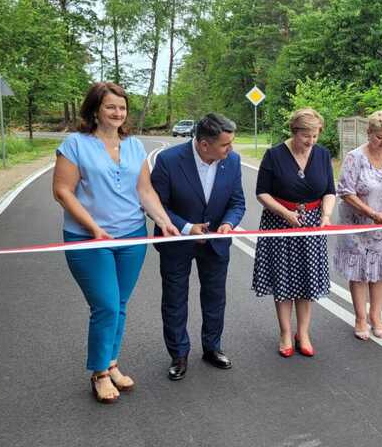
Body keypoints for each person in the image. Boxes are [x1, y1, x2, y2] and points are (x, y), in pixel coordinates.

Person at [52, 82, 179, 404]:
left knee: (119, 304)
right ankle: (99, 373)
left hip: (132, 234)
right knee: (106, 305)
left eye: (122, 108)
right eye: (111, 107)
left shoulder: (134, 146)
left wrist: (164, 221)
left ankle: (111, 362)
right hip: (88, 238)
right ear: (95, 109)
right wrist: (93, 227)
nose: (117, 113)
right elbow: (62, 191)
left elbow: (145, 191)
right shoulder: (75, 145)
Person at [150, 113, 246, 381]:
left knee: (215, 297)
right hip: (176, 242)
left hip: (216, 243)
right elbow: (157, 205)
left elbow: (237, 202)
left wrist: (228, 223)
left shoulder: (233, 161)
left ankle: (212, 347)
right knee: (175, 298)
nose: (231, 150)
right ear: (204, 144)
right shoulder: (169, 161)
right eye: (225, 145)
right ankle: (178, 354)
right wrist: (186, 227)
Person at [252, 108, 336, 357]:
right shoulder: (274, 155)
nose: (311, 141)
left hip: (311, 222)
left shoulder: (322, 155)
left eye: (315, 136)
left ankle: (304, 332)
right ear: (294, 132)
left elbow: (329, 190)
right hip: (279, 221)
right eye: (306, 136)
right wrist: (286, 214)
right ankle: (285, 333)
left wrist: (326, 215)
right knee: (284, 277)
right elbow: (262, 193)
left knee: (307, 277)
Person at [334, 111, 382, 340]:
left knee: (380, 272)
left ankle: (376, 316)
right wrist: (370, 212)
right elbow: (345, 191)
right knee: (359, 272)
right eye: (379, 137)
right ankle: (360, 317)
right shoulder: (354, 158)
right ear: (369, 133)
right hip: (358, 223)